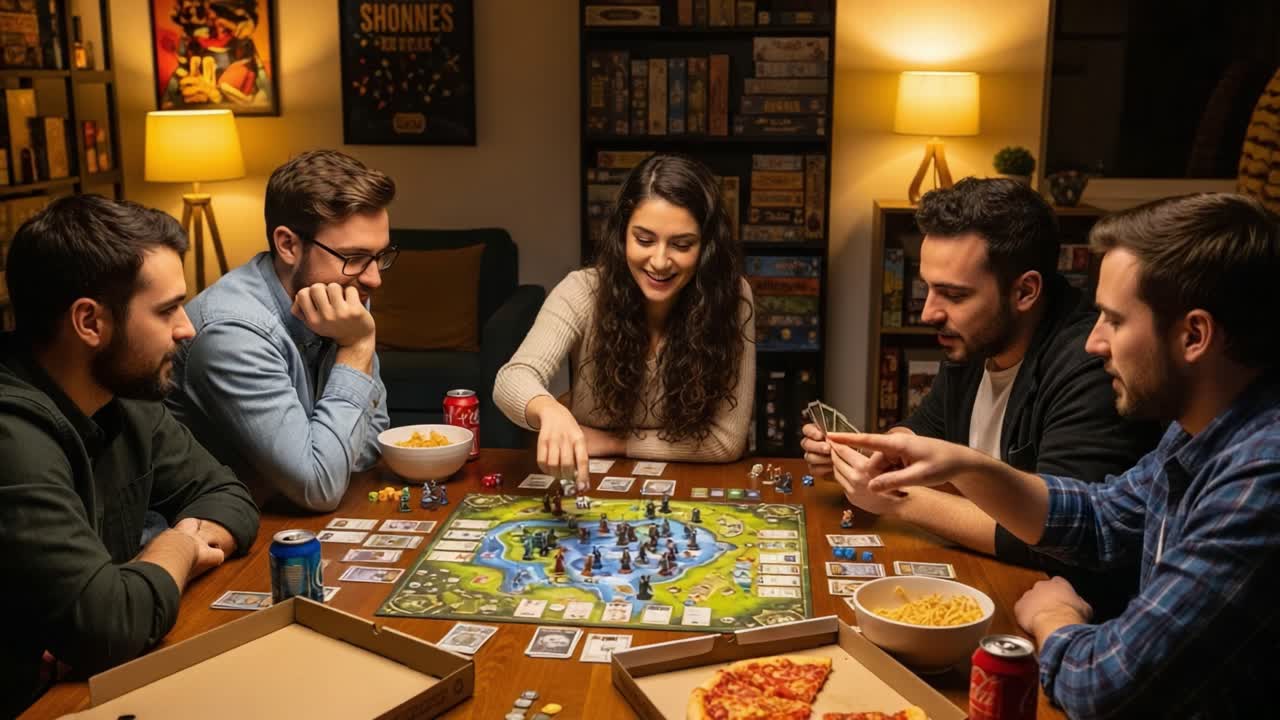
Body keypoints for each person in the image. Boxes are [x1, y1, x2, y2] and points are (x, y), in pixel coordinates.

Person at [835, 193, 1280, 717]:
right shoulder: (1198, 431)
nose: (1095, 343)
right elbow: (1101, 518)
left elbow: (1106, 686)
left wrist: (1055, 619)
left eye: (1114, 320)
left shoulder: (1261, 479)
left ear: (1194, 335)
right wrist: (966, 465)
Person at [805, 178, 1159, 618]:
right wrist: (875, 456)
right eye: (928, 287)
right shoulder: (977, 338)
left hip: (1057, 608)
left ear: (1025, 291)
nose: (929, 311)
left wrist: (894, 497)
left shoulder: (1094, 367)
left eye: (953, 294)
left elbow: (1057, 540)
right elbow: (926, 429)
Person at [0, 196, 261, 716]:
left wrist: (128, 592)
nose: (186, 328)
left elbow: (230, 497)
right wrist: (174, 551)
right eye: (166, 309)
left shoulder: (120, 392)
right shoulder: (12, 437)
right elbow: (107, 626)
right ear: (90, 322)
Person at [494, 154, 755, 490]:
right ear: (622, 235)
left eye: (682, 244)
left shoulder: (734, 297)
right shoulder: (582, 290)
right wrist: (549, 409)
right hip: (587, 486)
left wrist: (611, 443)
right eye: (644, 240)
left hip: (688, 486)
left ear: (706, 247)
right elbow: (511, 379)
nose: (659, 261)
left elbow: (725, 442)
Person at [167, 150, 395, 511]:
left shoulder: (342, 295)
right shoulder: (232, 333)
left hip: (285, 517)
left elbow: (372, 441)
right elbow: (319, 487)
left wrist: (319, 455)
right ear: (288, 244)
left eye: (380, 255)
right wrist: (356, 347)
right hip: (213, 540)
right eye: (354, 257)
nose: (374, 278)